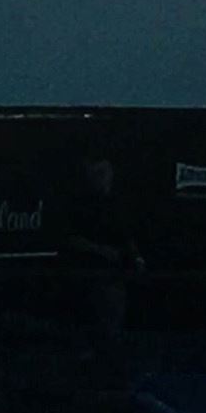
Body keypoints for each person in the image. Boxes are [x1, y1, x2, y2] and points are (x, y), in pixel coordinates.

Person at [62, 153, 145, 362]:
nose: (104, 178)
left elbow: (126, 235)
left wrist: (136, 257)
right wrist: (101, 251)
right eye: (98, 173)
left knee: (112, 323)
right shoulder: (80, 205)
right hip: (88, 275)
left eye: (106, 173)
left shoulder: (117, 204)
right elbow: (70, 240)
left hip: (114, 276)